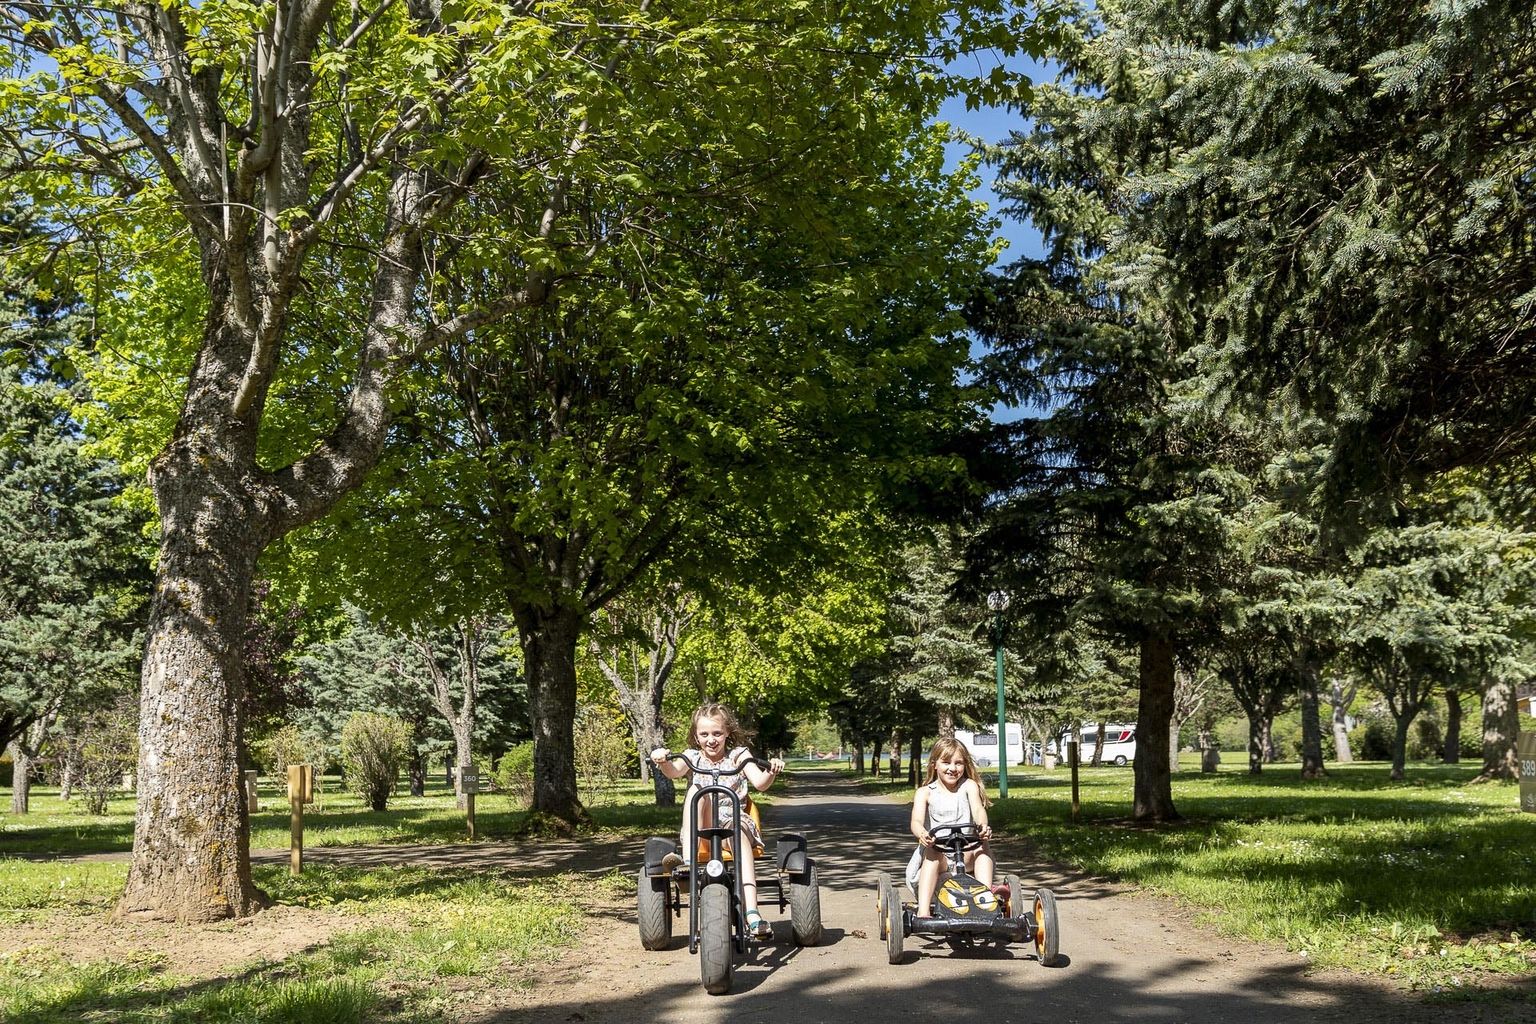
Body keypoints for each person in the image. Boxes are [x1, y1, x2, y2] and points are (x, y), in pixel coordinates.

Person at [652, 703, 785, 938]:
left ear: (727, 733)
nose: (711, 740)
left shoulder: (738, 756)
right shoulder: (691, 757)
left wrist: (771, 771)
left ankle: (752, 914)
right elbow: (673, 771)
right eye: (704, 734)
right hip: (701, 827)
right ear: (696, 736)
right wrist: (662, 760)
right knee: (697, 790)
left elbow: (760, 783)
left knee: (738, 836)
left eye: (717, 733)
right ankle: (688, 866)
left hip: (733, 821)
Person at [906, 736, 994, 918]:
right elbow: (916, 821)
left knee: (982, 847)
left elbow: (978, 809)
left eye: (958, 763)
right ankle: (923, 912)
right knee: (933, 852)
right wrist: (922, 833)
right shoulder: (925, 793)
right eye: (946, 762)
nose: (952, 768)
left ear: (965, 765)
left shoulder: (969, 786)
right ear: (934, 765)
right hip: (939, 855)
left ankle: (985, 901)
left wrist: (983, 826)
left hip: (966, 851)